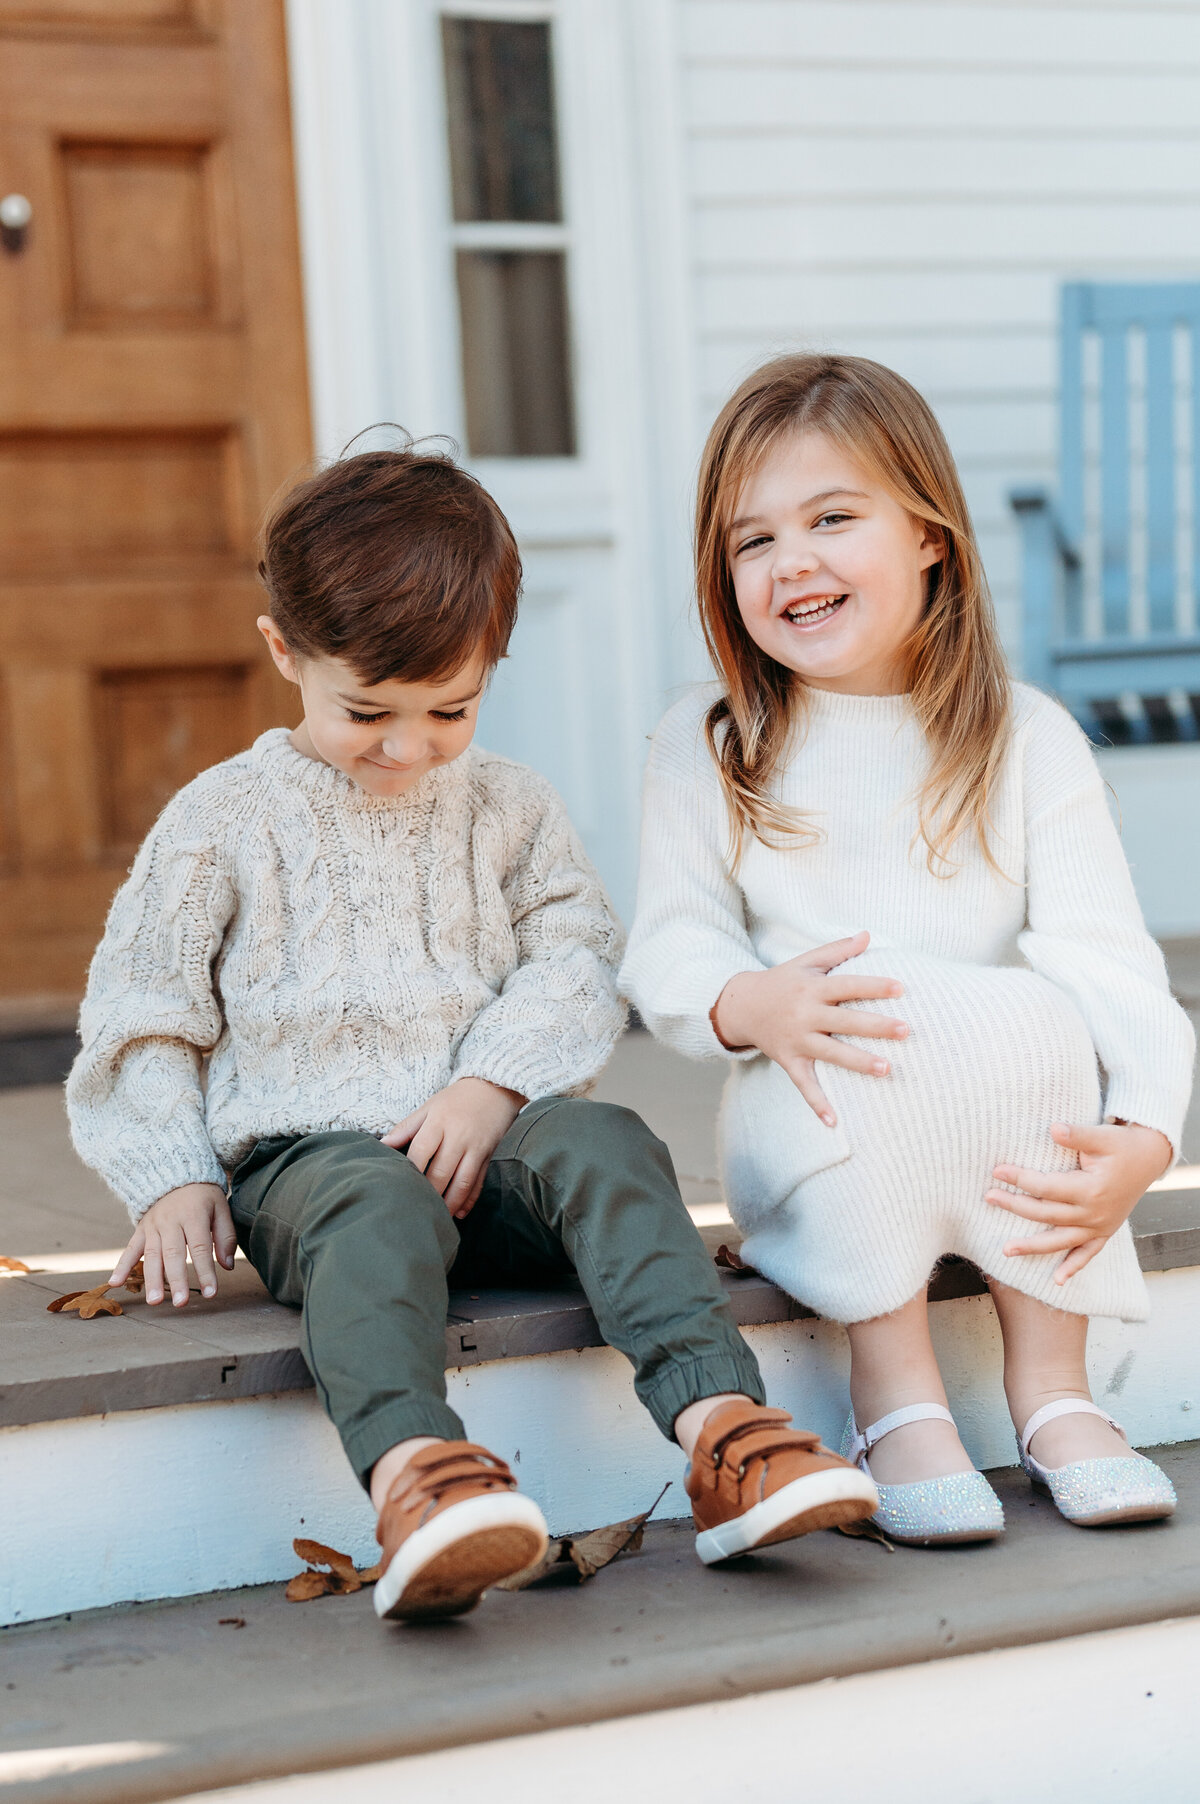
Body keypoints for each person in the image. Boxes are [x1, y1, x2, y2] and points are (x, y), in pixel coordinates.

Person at [67, 443, 879, 1623]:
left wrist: (494, 1083)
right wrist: (173, 1176)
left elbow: (575, 954)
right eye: (367, 712)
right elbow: (144, 1008)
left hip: (486, 1150)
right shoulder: (222, 820)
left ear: (491, 667)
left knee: (604, 1140)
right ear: (285, 652)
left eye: (448, 708)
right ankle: (418, 1479)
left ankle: (727, 1433)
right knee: (371, 1200)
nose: (407, 747)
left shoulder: (509, 806)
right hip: (314, 1171)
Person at [621, 355, 1195, 1546]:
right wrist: (747, 1005)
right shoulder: (712, 741)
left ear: (932, 537)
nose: (794, 562)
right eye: (753, 541)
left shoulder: (1025, 737)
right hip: (820, 1106)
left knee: (1043, 1009)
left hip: (998, 1111)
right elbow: (672, 939)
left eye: (834, 518)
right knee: (869, 1003)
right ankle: (896, 1394)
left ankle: (1054, 1390)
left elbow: (1103, 951)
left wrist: (1146, 1130)